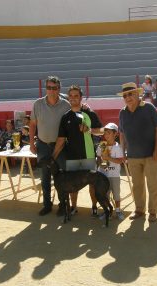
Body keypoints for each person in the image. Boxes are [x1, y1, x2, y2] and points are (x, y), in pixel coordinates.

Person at [52, 85, 104, 216]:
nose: (73, 98)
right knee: (71, 185)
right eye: (71, 96)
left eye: (76, 96)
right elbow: (61, 139)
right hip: (72, 157)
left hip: (88, 155)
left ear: (81, 98)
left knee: (92, 184)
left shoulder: (89, 113)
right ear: (68, 98)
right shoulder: (65, 117)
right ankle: (73, 207)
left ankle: (94, 207)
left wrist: (90, 130)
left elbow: (101, 131)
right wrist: (53, 157)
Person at [118, 82, 157, 222]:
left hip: (151, 155)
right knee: (137, 185)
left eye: (130, 94)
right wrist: (122, 151)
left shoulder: (149, 108)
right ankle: (139, 209)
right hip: (132, 156)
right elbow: (121, 133)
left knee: (152, 184)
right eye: (125, 95)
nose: (127, 97)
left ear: (138, 94)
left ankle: (153, 212)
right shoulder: (122, 112)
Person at [30, 76, 72, 216]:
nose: (51, 90)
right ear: (45, 88)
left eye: (54, 88)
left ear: (59, 89)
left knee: (61, 178)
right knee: (45, 177)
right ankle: (47, 205)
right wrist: (31, 143)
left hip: (60, 147)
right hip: (42, 145)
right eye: (48, 87)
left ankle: (63, 205)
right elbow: (33, 124)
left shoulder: (66, 105)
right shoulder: (37, 104)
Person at [97, 122, 125, 220]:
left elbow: (119, 161)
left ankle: (118, 211)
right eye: (105, 133)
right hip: (104, 176)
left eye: (109, 132)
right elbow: (99, 158)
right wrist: (102, 164)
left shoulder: (118, 147)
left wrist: (108, 158)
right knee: (105, 195)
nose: (106, 135)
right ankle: (107, 212)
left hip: (115, 176)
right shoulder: (102, 145)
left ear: (115, 134)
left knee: (116, 194)